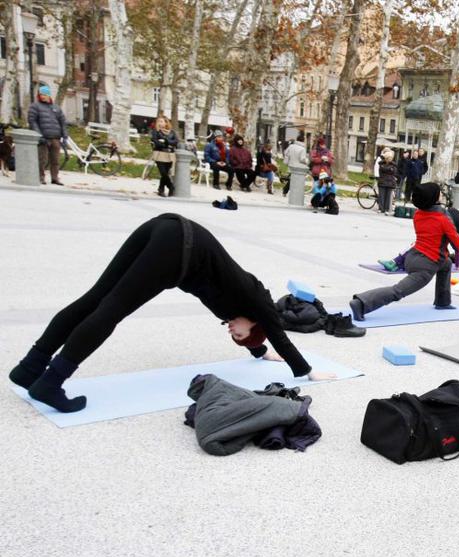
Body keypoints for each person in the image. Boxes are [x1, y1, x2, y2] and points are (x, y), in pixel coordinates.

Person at [8, 214, 336, 413]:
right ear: (255, 325)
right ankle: (51, 382)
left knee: (95, 300)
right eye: (238, 333)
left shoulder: (237, 309)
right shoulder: (258, 302)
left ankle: (29, 367)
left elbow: (259, 338)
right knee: (109, 310)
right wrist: (307, 372)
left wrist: (260, 353)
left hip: (166, 228)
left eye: (233, 334)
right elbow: (279, 336)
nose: (231, 330)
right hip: (177, 247)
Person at [349, 183, 459, 320]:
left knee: (446, 264)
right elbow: (458, 244)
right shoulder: (443, 218)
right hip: (426, 265)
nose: (441, 195)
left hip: (412, 256)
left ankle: (442, 301)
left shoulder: (418, 214)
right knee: (398, 291)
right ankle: (361, 303)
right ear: (434, 198)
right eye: (439, 193)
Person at [28, 84, 68, 186]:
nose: (43, 96)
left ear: (49, 95)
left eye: (45, 94)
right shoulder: (35, 106)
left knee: (55, 160)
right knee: (42, 160)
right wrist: (39, 135)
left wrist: (65, 136)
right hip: (43, 138)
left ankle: (55, 178)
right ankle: (41, 177)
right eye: (41, 94)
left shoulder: (56, 108)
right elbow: (32, 122)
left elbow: (63, 123)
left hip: (55, 138)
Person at [149, 116, 178, 197]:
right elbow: (156, 142)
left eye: (161, 121)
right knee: (163, 173)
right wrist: (167, 144)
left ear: (166, 123)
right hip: (159, 154)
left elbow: (175, 142)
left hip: (170, 155)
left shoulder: (172, 132)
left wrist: (166, 141)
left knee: (165, 173)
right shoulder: (155, 132)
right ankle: (171, 187)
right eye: (158, 121)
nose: (160, 123)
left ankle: (161, 189)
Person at [376, 149, 397, 214]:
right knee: (381, 196)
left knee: (388, 197)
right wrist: (389, 169)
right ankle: (380, 208)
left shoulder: (394, 165)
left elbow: (394, 172)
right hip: (382, 181)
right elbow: (382, 170)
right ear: (386, 158)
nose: (389, 159)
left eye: (391, 158)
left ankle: (386, 209)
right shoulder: (381, 164)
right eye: (388, 158)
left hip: (390, 182)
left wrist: (388, 169)